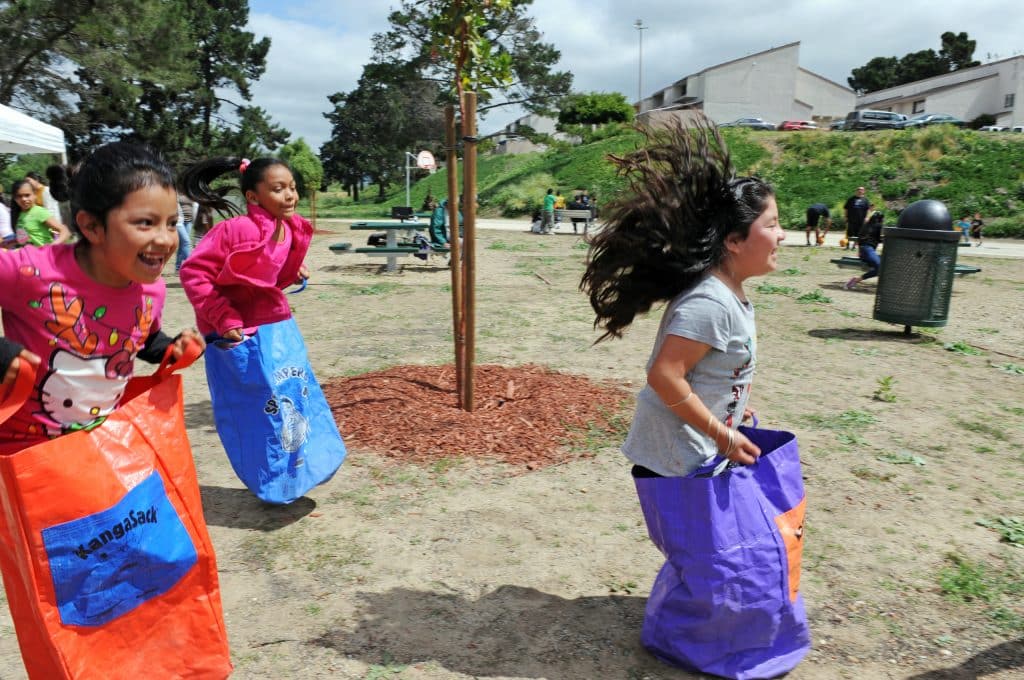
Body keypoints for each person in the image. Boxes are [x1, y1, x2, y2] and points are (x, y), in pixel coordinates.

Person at [580, 118, 791, 671]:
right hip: (676, 457)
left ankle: (701, 628)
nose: (783, 234)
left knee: (709, 554)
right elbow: (665, 376)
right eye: (772, 224)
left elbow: (713, 372)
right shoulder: (709, 303)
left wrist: (736, 410)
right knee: (707, 556)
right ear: (734, 240)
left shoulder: (733, 295)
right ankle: (684, 640)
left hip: (698, 449)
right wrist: (722, 432)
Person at [0, 141, 202, 447]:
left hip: (100, 454)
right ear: (92, 226)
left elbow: (140, 338)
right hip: (22, 460)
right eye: (146, 223)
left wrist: (170, 348)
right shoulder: (30, 271)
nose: (165, 239)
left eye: (172, 223)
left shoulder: (151, 290)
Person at [179, 156, 311, 341]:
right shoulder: (238, 230)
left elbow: (265, 269)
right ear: (253, 197)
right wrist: (223, 317)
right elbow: (193, 272)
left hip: (263, 324)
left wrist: (291, 270)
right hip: (227, 331)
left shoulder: (288, 229)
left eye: (292, 187)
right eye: (278, 189)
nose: (290, 195)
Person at [9, 179, 72, 246]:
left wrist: (51, 247)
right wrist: (11, 243)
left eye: (27, 195)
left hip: (43, 255)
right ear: (15, 198)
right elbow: (25, 239)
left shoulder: (39, 212)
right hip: (28, 255)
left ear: (34, 195)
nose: (24, 199)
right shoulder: (19, 215)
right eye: (19, 196)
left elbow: (65, 231)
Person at [845, 210, 885, 290]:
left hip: (864, 251)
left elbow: (861, 239)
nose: (883, 221)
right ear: (879, 219)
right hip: (868, 250)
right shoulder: (878, 225)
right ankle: (857, 279)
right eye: (883, 219)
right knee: (880, 268)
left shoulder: (866, 225)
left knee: (885, 264)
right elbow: (882, 237)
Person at [843, 186, 869, 251]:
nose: (860, 191)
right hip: (851, 219)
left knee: (858, 233)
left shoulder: (865, 200)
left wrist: (867, 217)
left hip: (860, 220)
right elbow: (846, 208)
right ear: (856, 191)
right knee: (849, 233)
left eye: (862, 190)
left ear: (864, 191)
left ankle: (854, 246)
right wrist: (845, 216)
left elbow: (867, 209)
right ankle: (847, 245)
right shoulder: (851, 199)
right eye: (859, 190)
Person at [175, 192, 196, 271]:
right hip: (179, 221)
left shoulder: (190, 193)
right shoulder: (177, 192)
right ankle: (191, 265)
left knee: (182, 245)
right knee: (186, 242)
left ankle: (178, 267)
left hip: (189, 221)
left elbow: (195, 206)